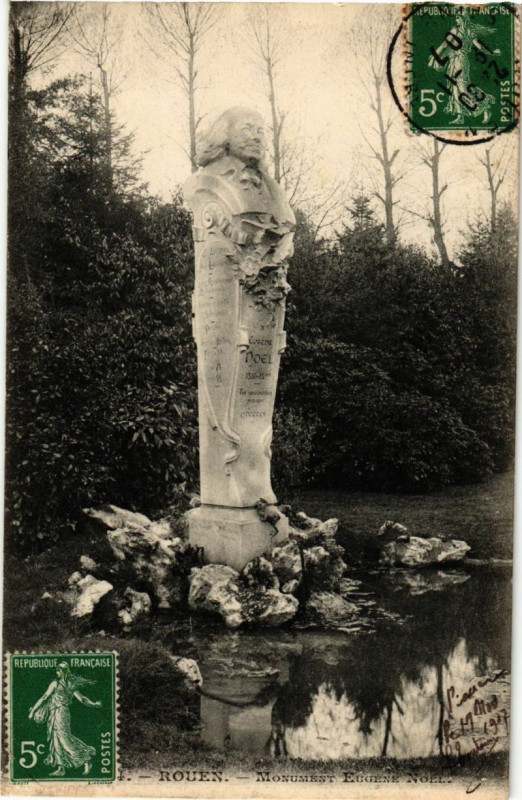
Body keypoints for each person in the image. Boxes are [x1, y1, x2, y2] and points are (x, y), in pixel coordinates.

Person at [28, 662, 101, 777]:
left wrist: (33, 711)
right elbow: (82, 699)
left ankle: (86, 758)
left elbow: (44, 697)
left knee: (63, 738)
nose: (56, 672)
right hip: (59, 713)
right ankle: (61, 767)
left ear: (63, 671)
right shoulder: (70, 684)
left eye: (58, 670)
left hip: (59, 713)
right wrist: (94, 704)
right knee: (56, 738)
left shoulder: (55, 683)